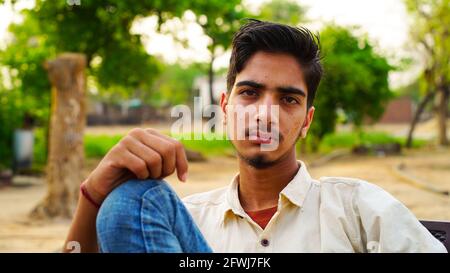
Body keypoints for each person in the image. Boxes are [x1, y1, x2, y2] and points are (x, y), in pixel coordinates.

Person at [64, 20, 446, 253]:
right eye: (250, 93)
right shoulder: (188, 221)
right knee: (131, 199)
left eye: (288, 99)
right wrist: (95, 192)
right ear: (226, 108)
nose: (265, 112)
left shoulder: (359, 208)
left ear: (307, 120)